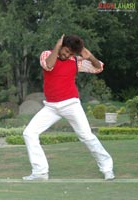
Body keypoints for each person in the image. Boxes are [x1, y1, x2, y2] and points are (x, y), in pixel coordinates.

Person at [22, 34, 114, 181]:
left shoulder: (75, 61)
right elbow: (49, 65)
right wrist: (58, 47)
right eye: (65, 50)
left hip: (71, 104)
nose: (66, 55)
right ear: (60, 45)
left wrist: (90, 57)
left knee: (86, 136)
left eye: (70, 53)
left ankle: (107, 168)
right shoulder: (47, 54)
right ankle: (40, 172)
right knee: (29, 133)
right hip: (51, 107)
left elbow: (98, 68)